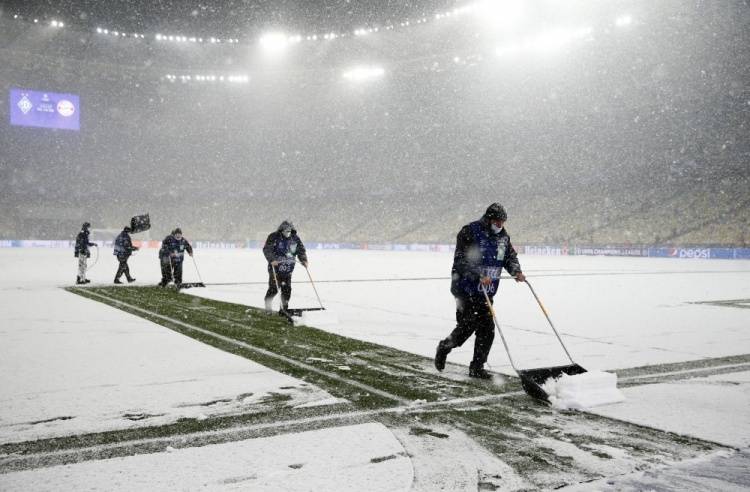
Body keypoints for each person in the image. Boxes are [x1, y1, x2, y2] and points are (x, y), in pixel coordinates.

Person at [434, 203, 526, 379]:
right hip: (465, 288)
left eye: (503, 222)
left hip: (487, 291)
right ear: (489, 219)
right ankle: (445, 347)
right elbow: (460, 260)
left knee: (487, 329)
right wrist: (478, 274)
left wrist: (516, 271)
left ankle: (477, 367)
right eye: (498, 221)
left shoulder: (503, 237)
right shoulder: (470, 231)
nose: (500, 225)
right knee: (468, 325)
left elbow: (509, 257)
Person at [263, 220, 308, 313]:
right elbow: (267, 249)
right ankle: (268, 305)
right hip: (275, 268)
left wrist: (303, 260)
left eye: (289, 231)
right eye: (286, 231)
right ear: (281, 230)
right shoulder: (273, 237)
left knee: (287, 289)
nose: (288, 233)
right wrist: (272, 259)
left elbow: (301, 250)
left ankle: (284, 308)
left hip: (288, 269)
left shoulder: (295, 238)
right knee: (274, 288)